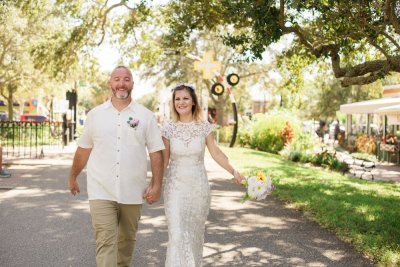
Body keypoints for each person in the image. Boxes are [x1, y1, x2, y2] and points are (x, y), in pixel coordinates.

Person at [68, 66, 165, 267]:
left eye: (126, 79)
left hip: (133, 189)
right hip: (100, 189)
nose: (121, 83)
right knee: (105, 241)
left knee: (127, 241)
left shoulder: (145, 116)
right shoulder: (95, 115)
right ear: (110, 83)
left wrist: (157, 185)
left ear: (132, 84)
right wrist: (73, 177)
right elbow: (83, 149)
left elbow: (156, 151)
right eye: (117, 79)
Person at [161, 84, 245, 266]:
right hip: (175, 189)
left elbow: (216, 153)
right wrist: (154, 185)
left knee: (193, 236)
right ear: (173, 103)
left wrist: (234, 171)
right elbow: (163, 161)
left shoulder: (203, 127)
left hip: (198, 189)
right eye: (177, 99)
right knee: (176, 235)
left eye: (185, 98)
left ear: (193, 102)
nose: (181, 102)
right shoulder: (168, 129)